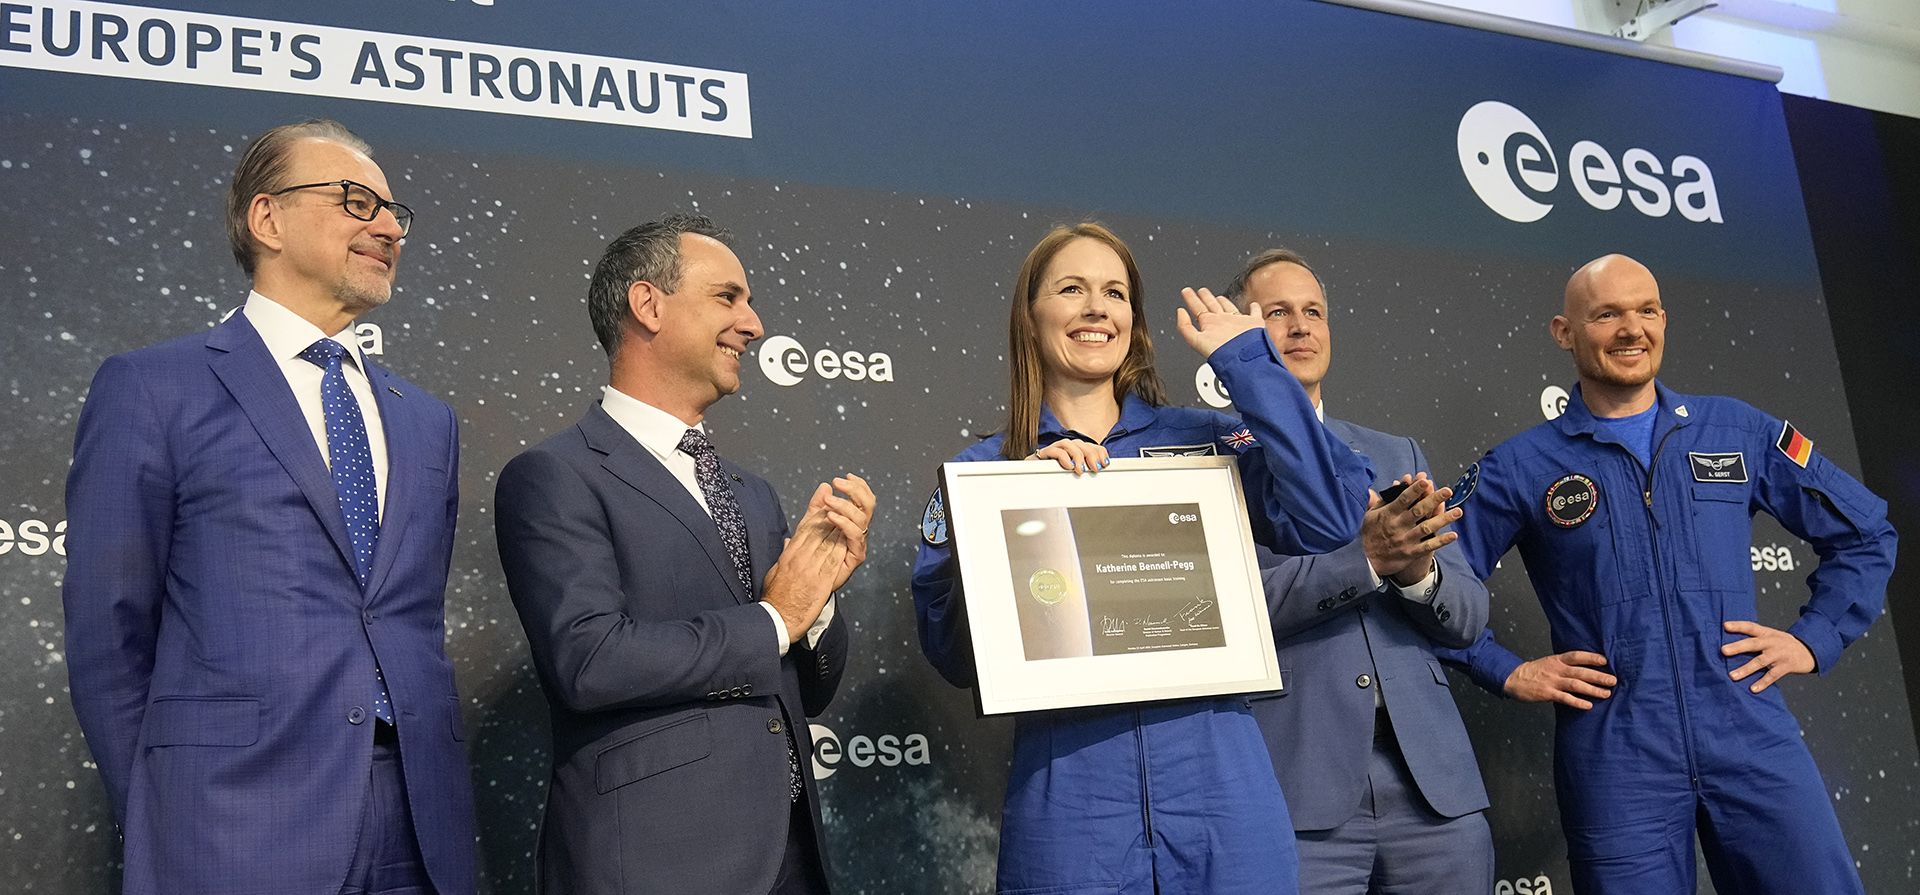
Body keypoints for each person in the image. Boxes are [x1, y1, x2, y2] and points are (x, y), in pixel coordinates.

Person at [62, 119, 476, 895]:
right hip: (230, 834)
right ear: (267, 218)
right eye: (356, 201)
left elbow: (405, 617)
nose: (387, 226)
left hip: (420, 829)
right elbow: (106, 635)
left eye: (394, 213)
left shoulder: (427, 420)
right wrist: (164, 817)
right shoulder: (154, 388)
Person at [912, 223, 1372, 893]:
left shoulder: (1209, 439)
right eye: (1072, 289)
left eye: (1115, 292)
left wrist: (1250, 363)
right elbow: (951, 655)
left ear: (1134, 318)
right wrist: (1017, 517)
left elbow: (1332, 517)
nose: (1097, 307)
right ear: (1030, 316)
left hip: (1223, 791)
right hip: (1071, 801)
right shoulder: (987, 472)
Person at [1439, 254, 1896, 894]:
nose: (1632, 329)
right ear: (1564, 332)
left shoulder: (1738, 430)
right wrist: (1503, 668)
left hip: (1750, 734)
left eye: (1646, 310)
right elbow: (1427, 584)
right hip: (1615, 751)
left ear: (1663, 320)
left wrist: (1813, 639)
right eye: (1607, 314)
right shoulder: (1522, 466)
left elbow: (1865, 532)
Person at [495, 213, 872, 895]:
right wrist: (774, 617)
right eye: (728, 297)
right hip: (654, 861)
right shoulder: (556, 475)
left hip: (790, 859)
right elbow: (589, 660)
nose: (754, 324)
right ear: (648, 304)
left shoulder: (753, 494)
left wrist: (815, 602)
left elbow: (806, 688)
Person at [1226, 249, 1495, 893]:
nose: (1300, 327)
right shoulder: (1213, 457)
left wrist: (1417, 573)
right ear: (1238, 334)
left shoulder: (1394, 452)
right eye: (1277, 313)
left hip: (1434, 790)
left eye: (1313, 312)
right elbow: (1233, 608)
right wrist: (1369, 561)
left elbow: (1467, 615)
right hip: (1296, 789)